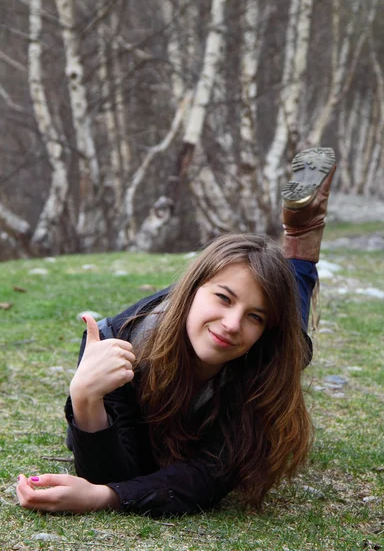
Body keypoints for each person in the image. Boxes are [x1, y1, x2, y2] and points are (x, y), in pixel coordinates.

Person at [17, 147, 336, 516]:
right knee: (260, 296)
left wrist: (104, 498)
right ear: (191, 290)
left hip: (261, 341)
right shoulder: (115, 343)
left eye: (255, 318)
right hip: (162, 325)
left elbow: (207, 475)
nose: (232, 324)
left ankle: (301, 235)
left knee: (292, 331)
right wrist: (85, 397)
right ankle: (286, 245)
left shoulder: (267, 357)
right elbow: (117, 468)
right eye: (222, 297)